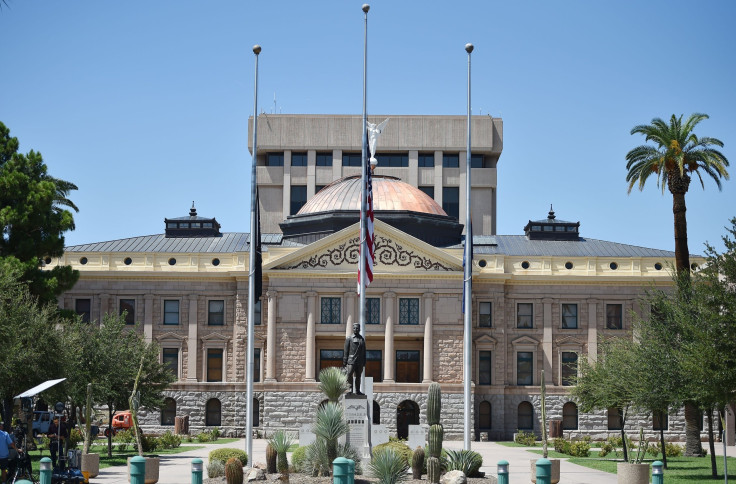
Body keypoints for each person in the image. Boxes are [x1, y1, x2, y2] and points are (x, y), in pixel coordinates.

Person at [343, 323, 366, 395]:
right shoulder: (349, 338)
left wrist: (364, 361)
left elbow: (364, 351)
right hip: (351, 360)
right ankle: (350, 389)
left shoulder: (362, 339)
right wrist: (344, 362)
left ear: (359, 329)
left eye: (357, 328)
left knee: (358, 376)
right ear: (353, 329)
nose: (356, 329)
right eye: (354, 328)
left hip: (359, 361)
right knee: (349, 374)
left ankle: (357, 390)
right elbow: (346, 351)